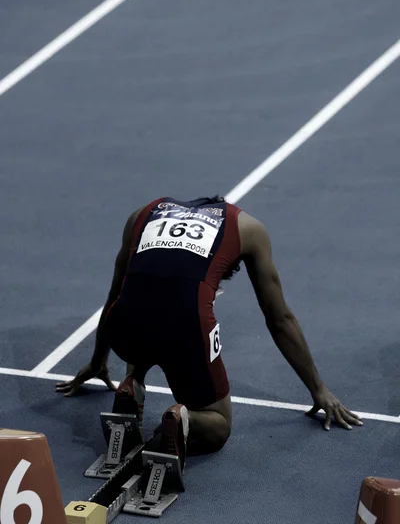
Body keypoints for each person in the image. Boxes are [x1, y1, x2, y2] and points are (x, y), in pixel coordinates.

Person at [56, 195, 363, 466]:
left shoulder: (142, 213)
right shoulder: (248, 228)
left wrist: (98, 360)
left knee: (146, 301)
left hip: (123, 326)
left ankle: (133, 382)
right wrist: (318, 389)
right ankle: (183, 419)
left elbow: (116, 292)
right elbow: (279, 318)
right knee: (219, 424)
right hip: (184, 328)